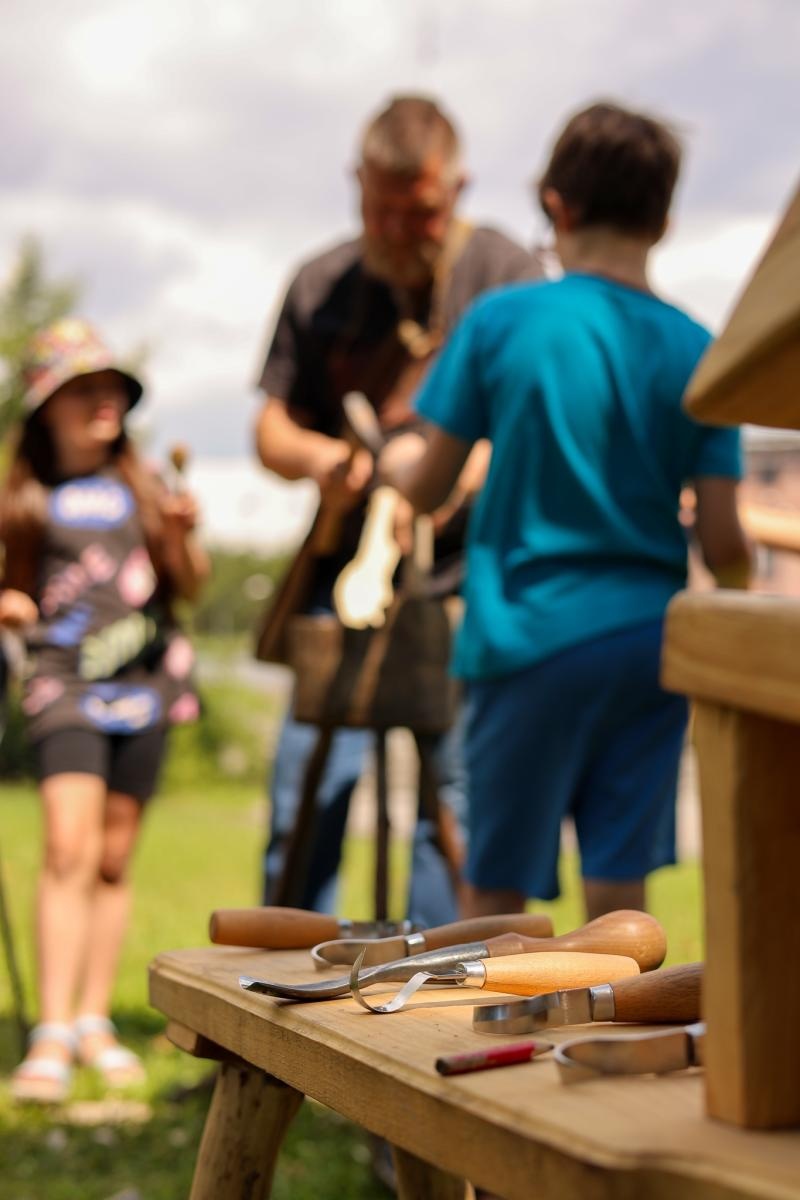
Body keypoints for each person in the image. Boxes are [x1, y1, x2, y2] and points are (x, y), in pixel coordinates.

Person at [380, 100, 752, 924]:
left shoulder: (503, 321)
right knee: (620, 887)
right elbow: (725, 538)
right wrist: (739, 594)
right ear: (664, 219)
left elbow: (430, 486)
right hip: (651, 644)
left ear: (556, 204)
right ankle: (615, 1048)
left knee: (496, 888)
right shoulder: (699, 349)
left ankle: (490, 1048)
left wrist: (393, 460)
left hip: (527, 640)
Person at [254, 94, 542, 923]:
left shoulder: (505, 276)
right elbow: (271, 424)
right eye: (379, 209)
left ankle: (437, 1018)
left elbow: (534, 411)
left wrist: (462, 468)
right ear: (357, 185)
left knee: (451, 813)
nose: (396, 229)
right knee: (303, 806)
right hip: (343, 583)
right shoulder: (322, 284)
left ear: (456, 189)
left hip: (467, 586)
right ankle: (283, 1026)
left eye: (417, 212)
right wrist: (324, 462)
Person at [1, 318, 209, 1103]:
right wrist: (11, 604)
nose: (104, 402)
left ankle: (94, 1019)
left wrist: (185, 541)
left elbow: (188, 583)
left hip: (148, 684)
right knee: (67, 847)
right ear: (47, 406)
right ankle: (51, 1030)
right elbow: (9, 584)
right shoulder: (23, 495)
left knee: (115, 861)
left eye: (112, 389)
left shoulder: (146, 484)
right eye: (84, 389)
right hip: (64, 684)